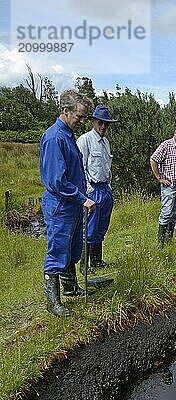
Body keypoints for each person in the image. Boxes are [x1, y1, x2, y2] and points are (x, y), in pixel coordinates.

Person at [40, 89, 96, 317]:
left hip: (72, 204)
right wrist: (82, 198)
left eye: (84, 117)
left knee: (73, 249)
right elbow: (56, 180)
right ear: (65, 111)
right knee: (58, 251)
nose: (82, 122)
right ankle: (53, 303)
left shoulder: (67, 135)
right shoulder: (54, 137)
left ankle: (71, 287)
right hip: (60, 206)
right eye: (80, 117)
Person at [77, 104, 118, 274]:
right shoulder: (85, 140)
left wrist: (108, 187)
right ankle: (84, 265)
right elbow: (81, 167)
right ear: (93, 121)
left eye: (106, 123)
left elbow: (106, 165)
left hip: (104, 188)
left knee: (101, 227)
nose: (103, 126)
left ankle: (97, 261)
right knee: (89, 228)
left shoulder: (106, 142)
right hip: (92, 189)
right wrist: (87, 191)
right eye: (100, 122)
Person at [150, 123, 176, 247]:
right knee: (166, 213)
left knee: (175, 214)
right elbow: (153, 159)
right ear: (175, 132)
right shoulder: (166, 145)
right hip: (170, 186)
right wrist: (159, 178)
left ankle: (169, 242)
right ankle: (160, 244)